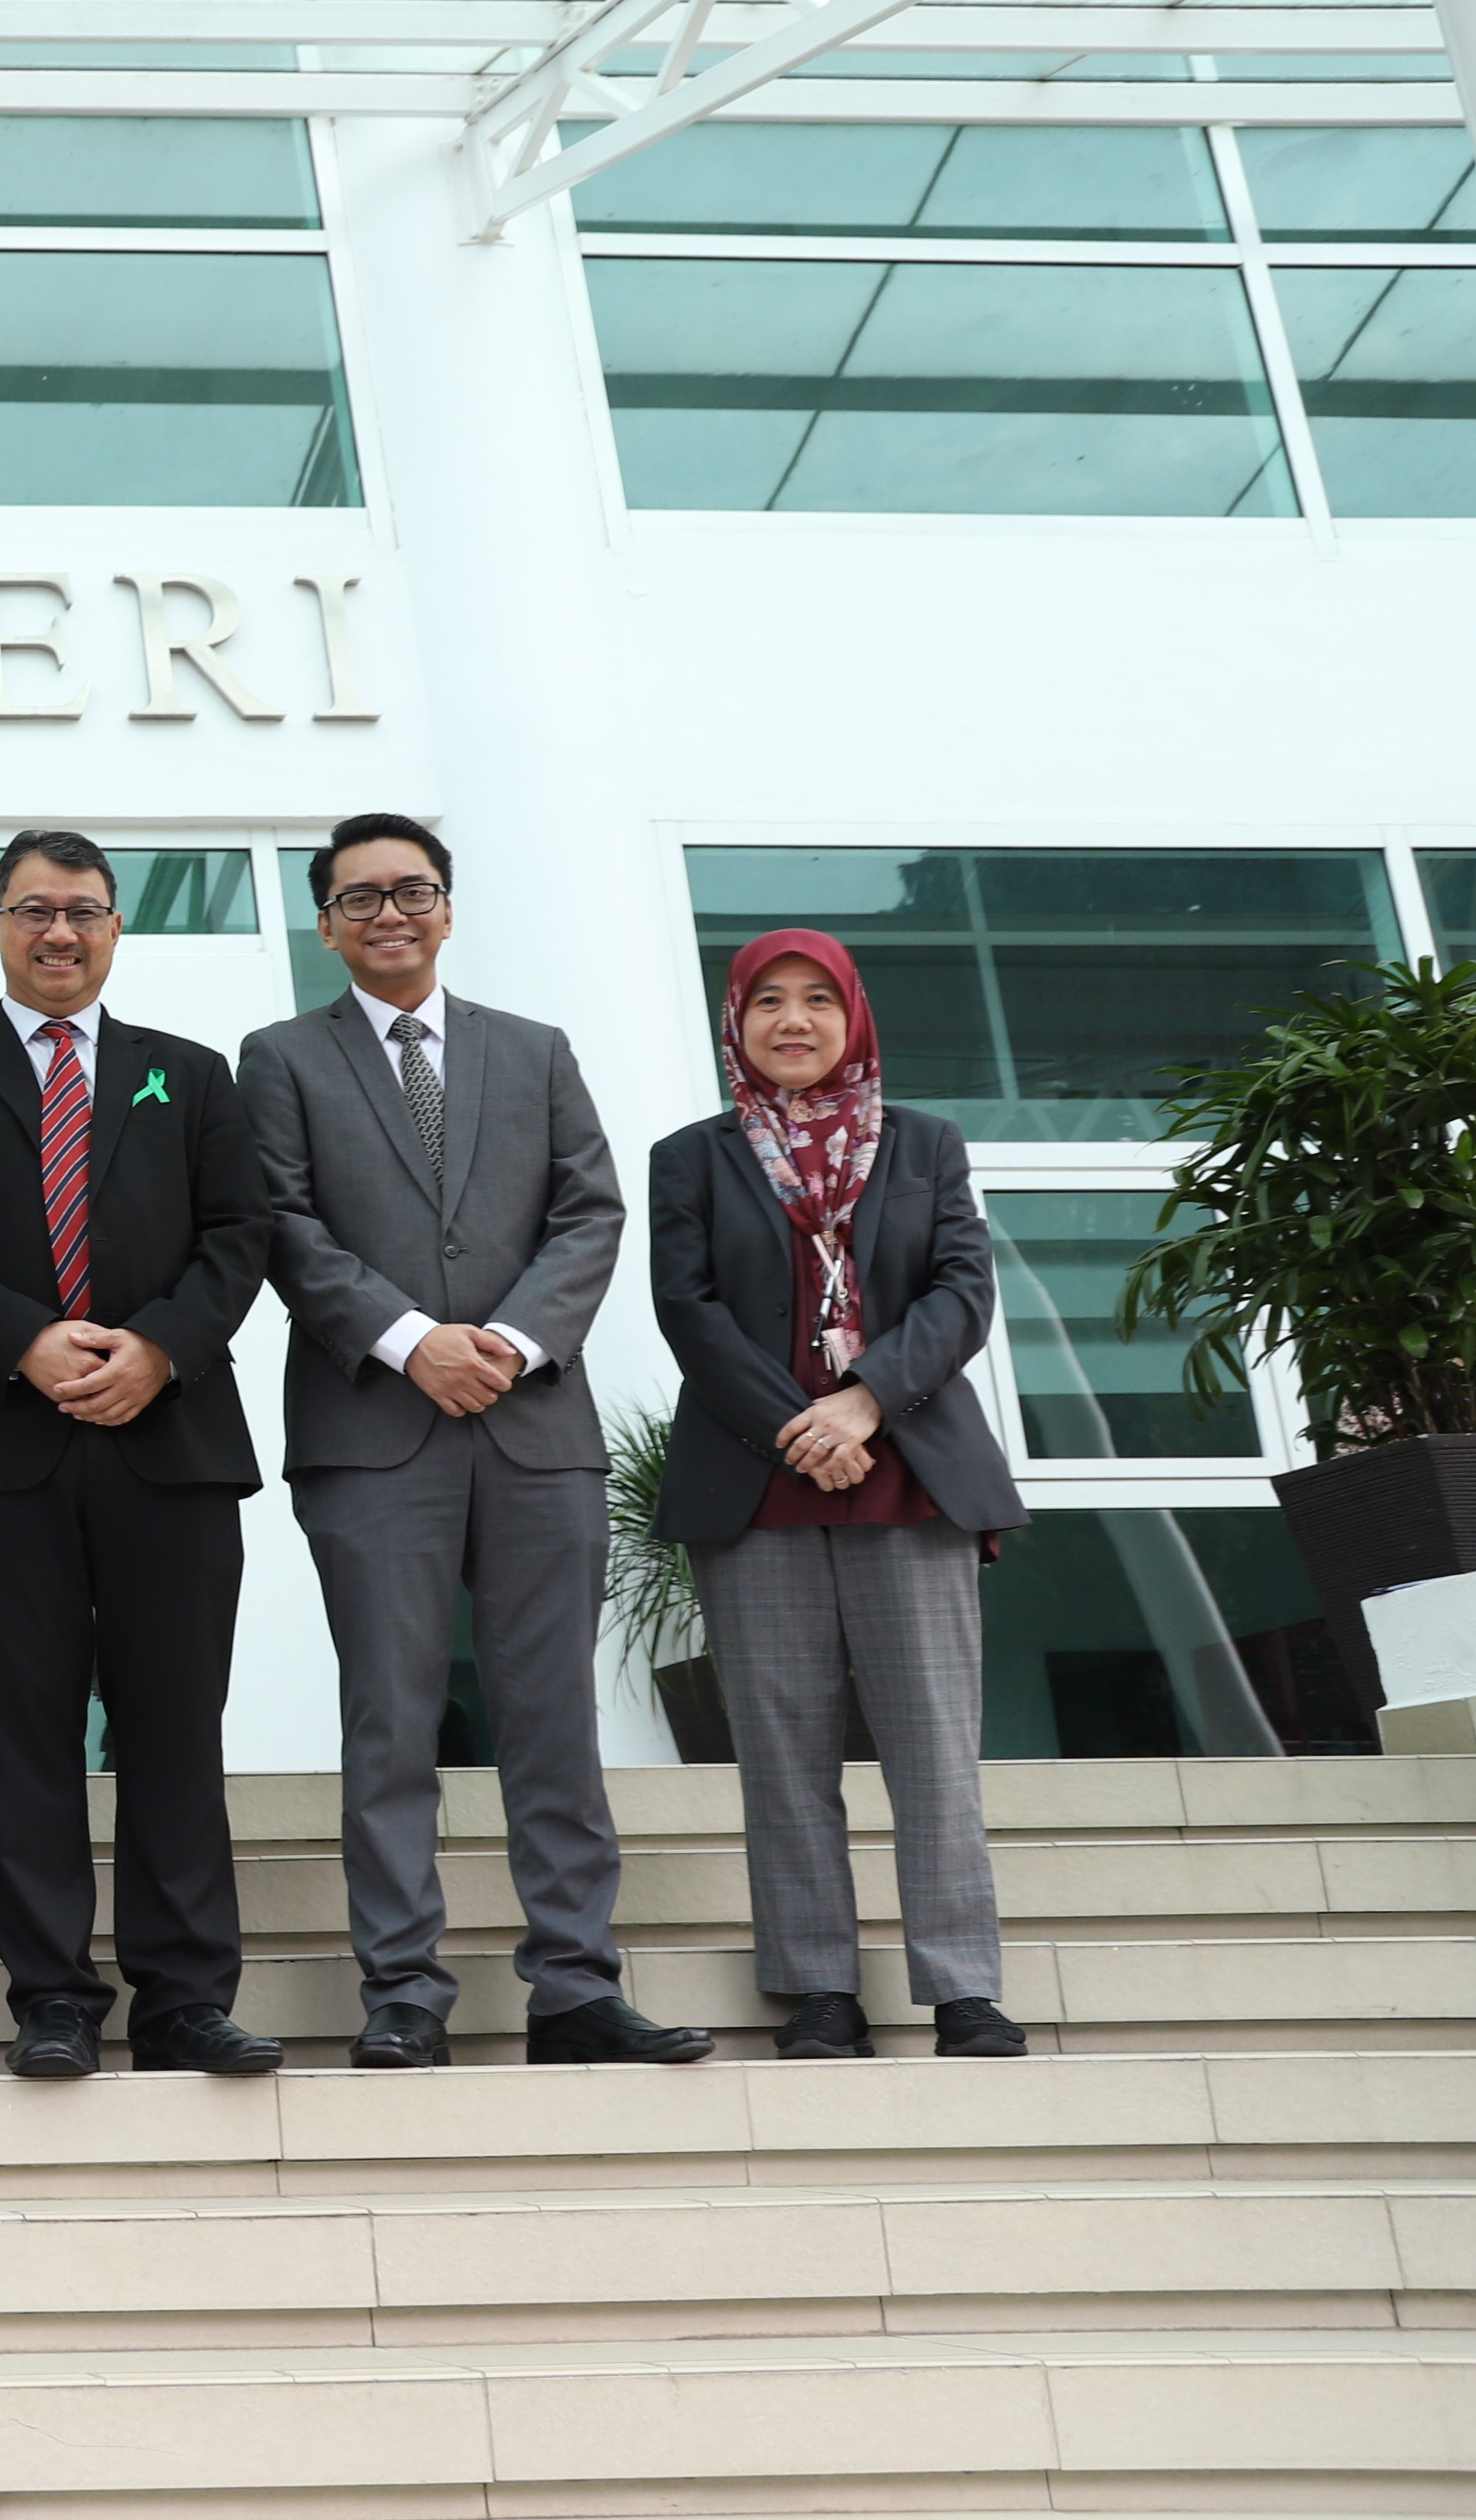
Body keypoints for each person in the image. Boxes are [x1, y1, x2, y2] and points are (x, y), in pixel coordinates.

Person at [238, 814, 707, 2070]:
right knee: (390, 1721)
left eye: (413, 890)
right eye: (361, 897)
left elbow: (590, 1210)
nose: (390, 913)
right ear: (326, 923)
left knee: (553, 1718)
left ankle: (577, 1986)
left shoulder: (535, 1050)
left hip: (534, 1425)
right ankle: (404, 1989)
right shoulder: (280, 1058)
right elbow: (281, 1222)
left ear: (448, 907)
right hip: (371, 1432)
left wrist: (505, 1339)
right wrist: (410, 1341)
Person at [0, 829, 276, 2081]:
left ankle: (185, 1997)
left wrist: (158, 1349)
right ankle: (52, 1994)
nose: (60, 932)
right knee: (26, 1735)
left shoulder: (189, 1074)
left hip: (170, 1443)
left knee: (174, 1729)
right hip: (4, 1451)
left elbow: (241, 1233)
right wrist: (25, 1342)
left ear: (114, 929)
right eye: (35, 909)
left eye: (84, 910)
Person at [652, 928, 1028, 2063]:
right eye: (769, 1000)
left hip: (908, 1474)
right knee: (783, 1753)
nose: (794, 1020)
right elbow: (689, 1310)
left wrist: (863, 1404)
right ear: (737, 1021)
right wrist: (798, 1426)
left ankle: (963, 1987)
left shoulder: (925, 1143)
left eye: (818, 998)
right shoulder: (692, 1156)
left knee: (933, 1748)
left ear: (853, 1014)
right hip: (757, 1482)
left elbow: (962, 1291)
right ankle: (819, 1987)